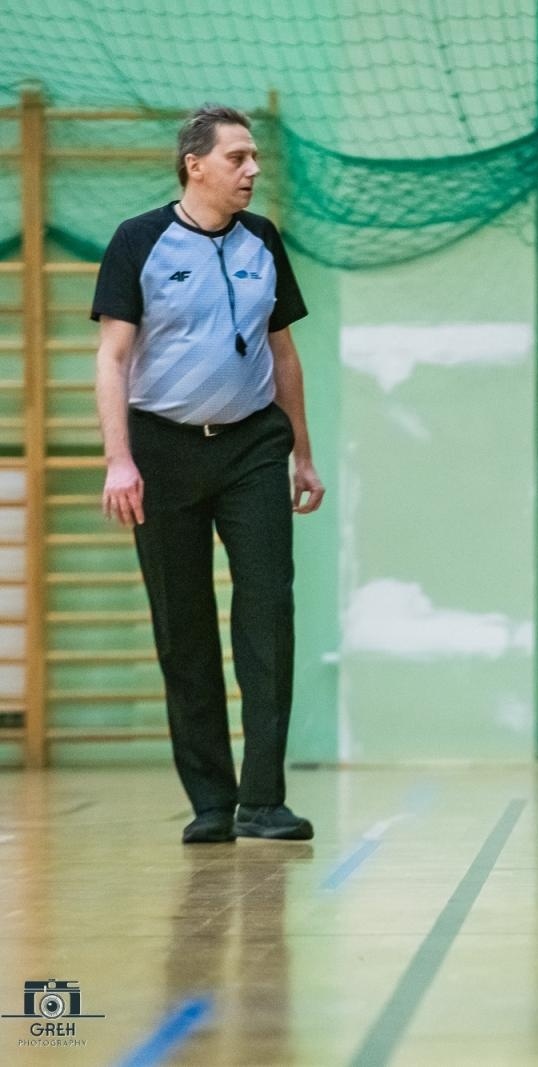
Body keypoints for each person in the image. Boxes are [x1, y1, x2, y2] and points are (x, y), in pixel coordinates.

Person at [92, 105, 323, 844]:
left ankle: (264, 799)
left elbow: (282, 352)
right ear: (195, 165)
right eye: (238, 158)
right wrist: (119, 459)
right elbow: (113, 359)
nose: (253, 170)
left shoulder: (263, 240)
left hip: (252, 443)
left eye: (254, 157)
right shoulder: (138, 241)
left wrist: (302, 453)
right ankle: (211, 801)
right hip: (162, 449)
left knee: (267, 615)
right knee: (183, 626)